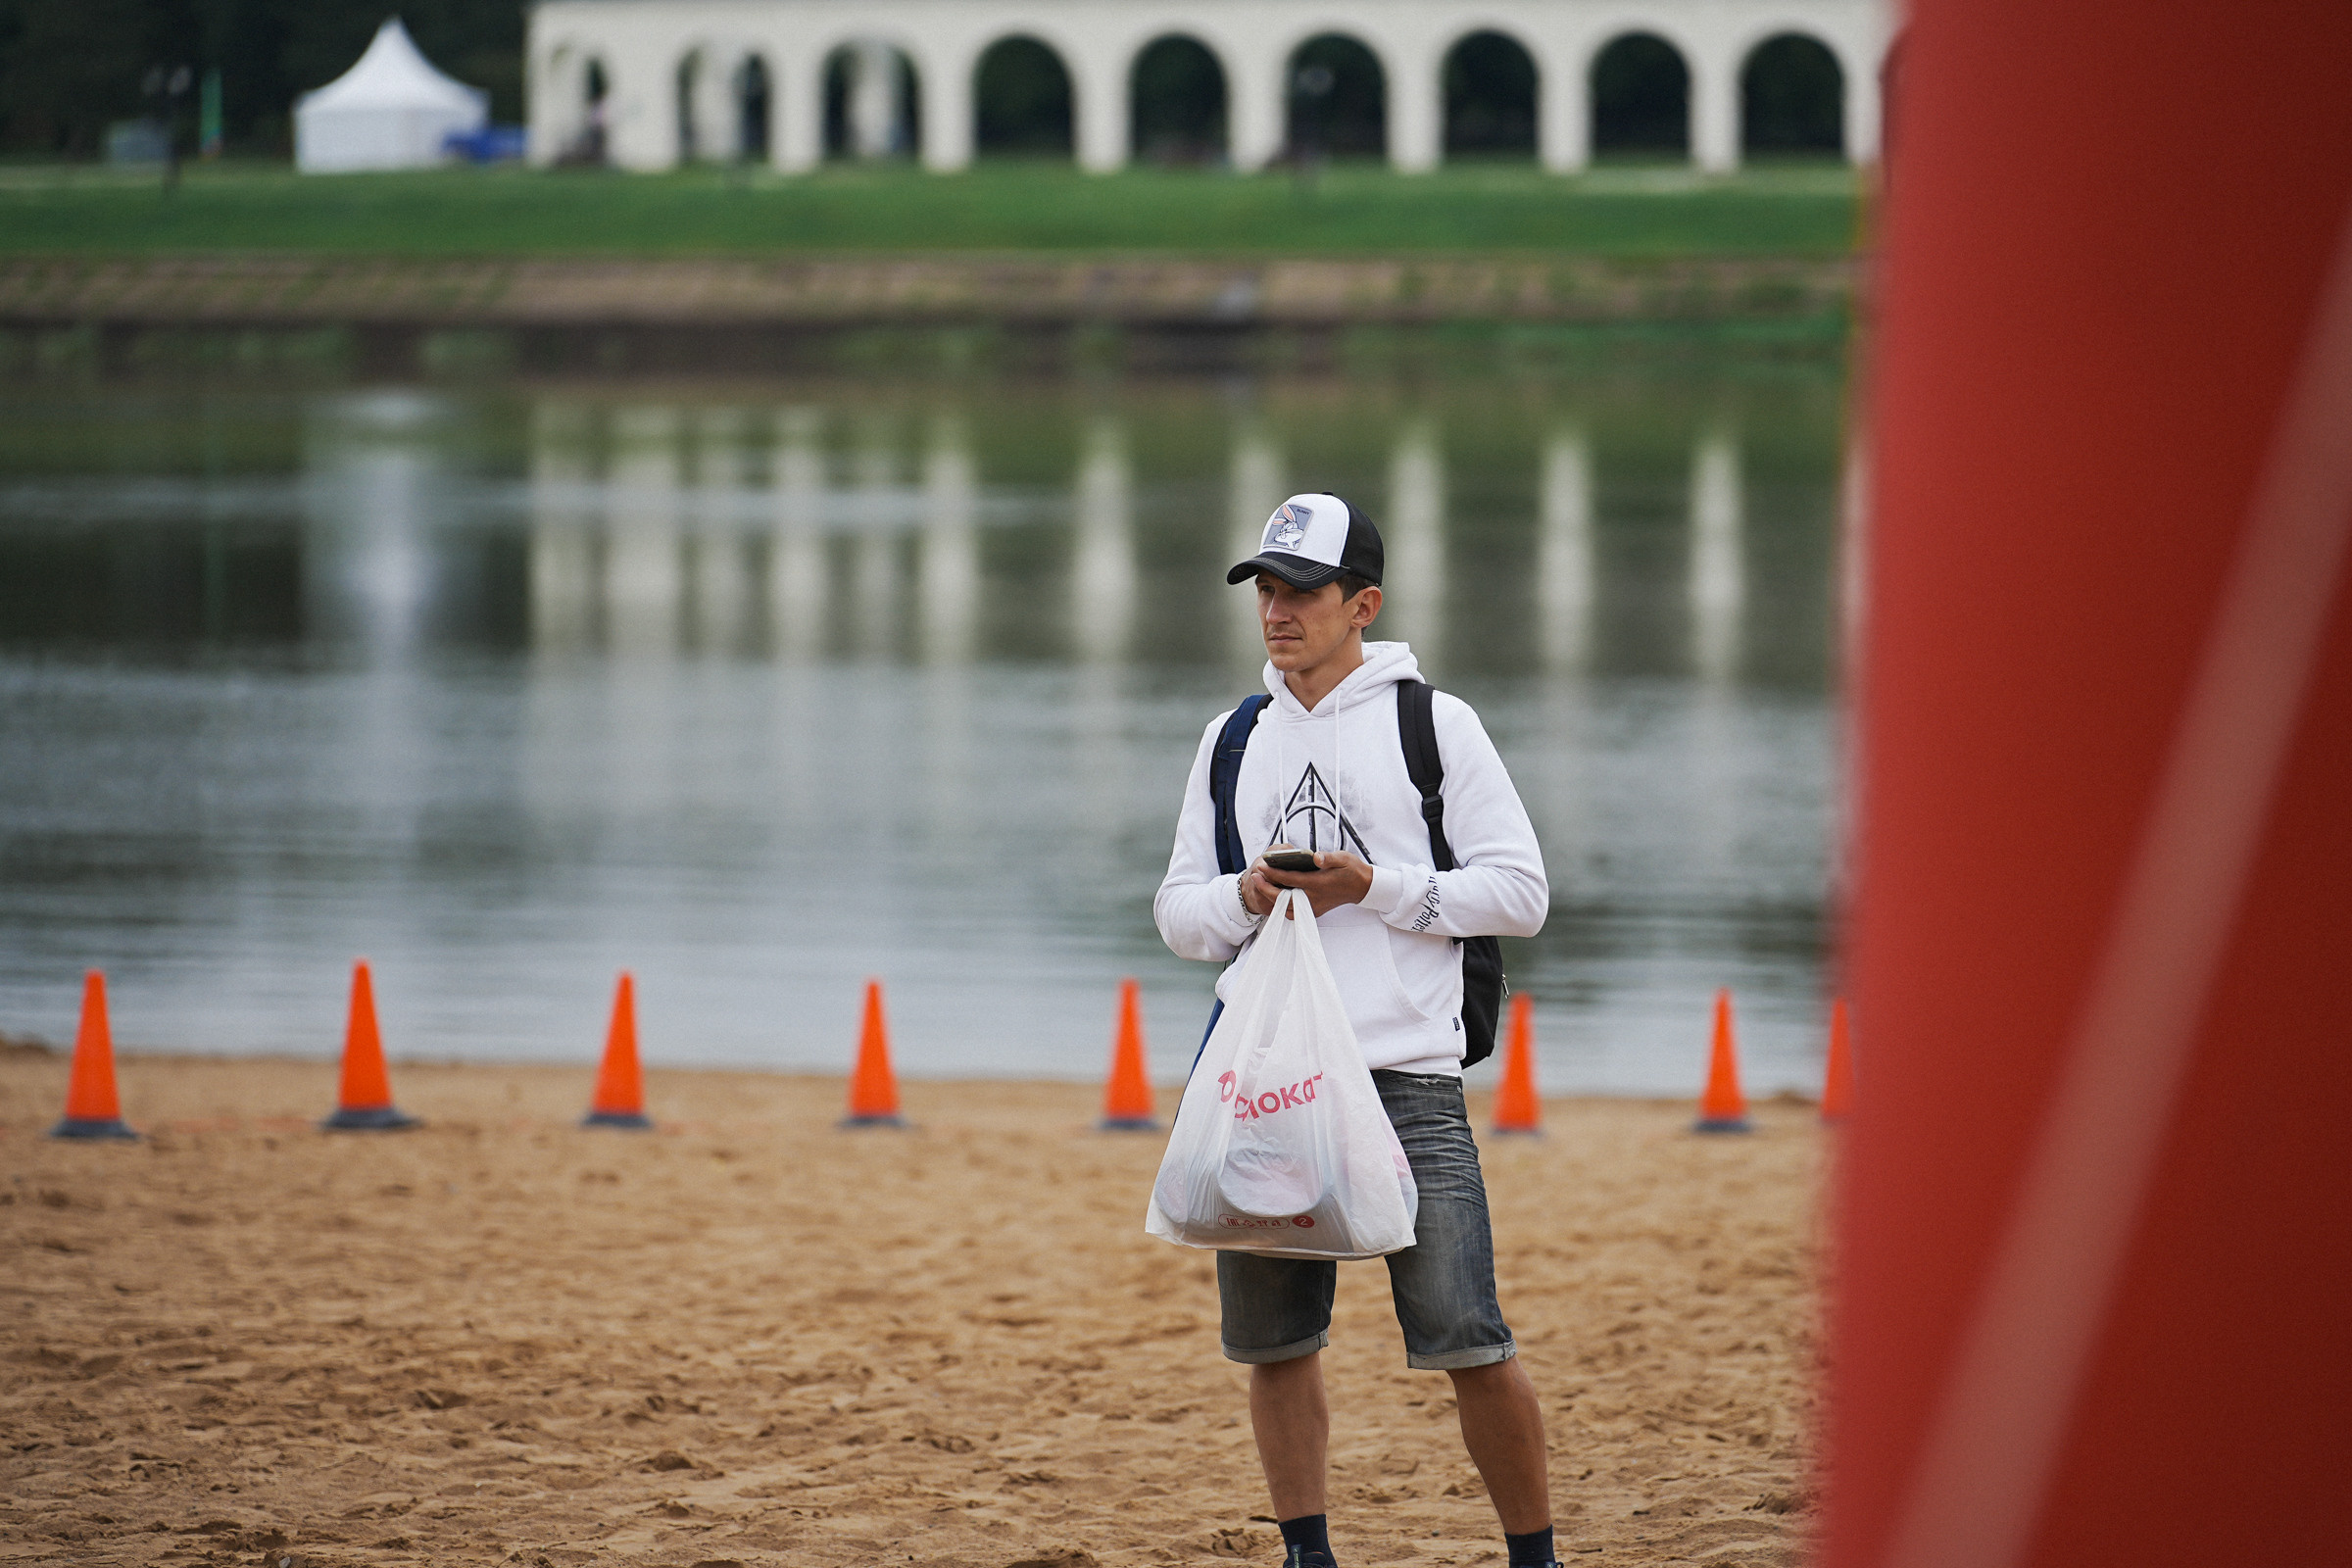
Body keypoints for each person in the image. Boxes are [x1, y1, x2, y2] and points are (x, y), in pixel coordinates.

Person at [1153, 494, 1557, 1568]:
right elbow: (1177, 914)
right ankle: (1308, 1556)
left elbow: (1520, 894)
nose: (1277, 611)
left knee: (1469, 1339)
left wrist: (1371, 886)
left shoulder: (1435, 722)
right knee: (1276, 1347)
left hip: (1407, 1079)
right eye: (1266, 589)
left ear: (1362, 603)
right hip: (1270, 1082)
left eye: (1302, 590)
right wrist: (1245, 896)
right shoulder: (1232, 736)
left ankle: (1537, 1558)